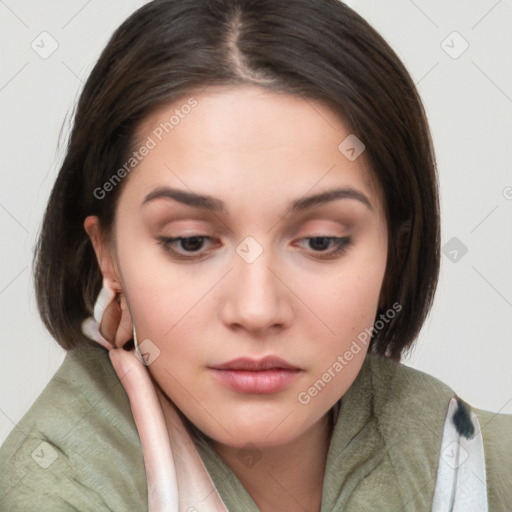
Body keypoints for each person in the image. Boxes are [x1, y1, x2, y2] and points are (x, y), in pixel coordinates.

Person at [0, 0, 510, 510]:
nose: (256, 309)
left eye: (321, 241)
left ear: (393, 255)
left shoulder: (480, 467)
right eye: (191, 242)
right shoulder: (49, 490)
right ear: (108, 255)